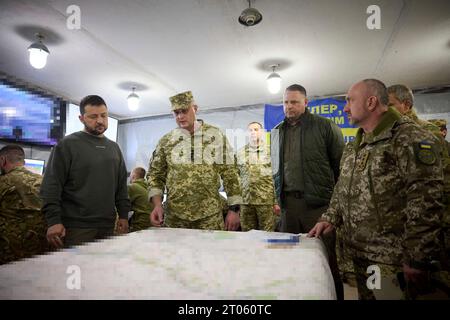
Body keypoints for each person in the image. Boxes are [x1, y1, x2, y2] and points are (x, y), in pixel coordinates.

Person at [309, 79, 444, 300]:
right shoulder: (356, 144)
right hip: (360, 253)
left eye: (350, 100)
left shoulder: (408, 137)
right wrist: (330, 217)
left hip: (390, 258)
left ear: (371, 102)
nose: (345, 108)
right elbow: (343, 186)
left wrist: (418, 257)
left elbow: (426, 200)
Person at [270, 84, 345, 299]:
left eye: (294, 101)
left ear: (306, 103)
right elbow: (276, 170)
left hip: (317, 208)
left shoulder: (325, 127)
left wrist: (334, 209)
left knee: (326, 263)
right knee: (289, 260)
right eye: (285, 102)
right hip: (288, 209)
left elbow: (342, 170)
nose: (289, 106)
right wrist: (277, 200)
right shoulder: (276, 132)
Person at [40, 95, 130, 248]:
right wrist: (53, 221)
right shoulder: (67, 145)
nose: (100, 121)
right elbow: (51, 186)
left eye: (103, 115)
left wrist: (123, 216)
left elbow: (121, 186)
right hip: (76, 227)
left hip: (108, 225)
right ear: (81, 118)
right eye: (93, 116)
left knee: (104, 269)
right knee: (76, 270)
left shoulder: (114, 148)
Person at [148, 91, 242, 230]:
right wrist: (157, 205)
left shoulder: (215, 136)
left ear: (195, 109)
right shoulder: (167, 141)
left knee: (211, 252)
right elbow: (155, 175)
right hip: (175, 217)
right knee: (174, 252)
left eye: (184, 111)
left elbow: (231, 173)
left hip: (209, 216)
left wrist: (234, 210)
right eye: (176, 112)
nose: (180, 116)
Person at [0, 145, 48, 264]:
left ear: (2, 160)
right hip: (42, 250)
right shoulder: (45, 181)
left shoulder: (4, 182)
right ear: (24, 162)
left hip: (10, 251)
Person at [236, 122, 280, 231]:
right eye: (250, 130)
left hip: (265, 201)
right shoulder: (240, 152)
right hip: (246, 201)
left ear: (262, 132)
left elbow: (277, 177)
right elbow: (235, 176)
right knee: (247, 234)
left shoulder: (271, 151)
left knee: (267, 234)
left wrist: (277, 202)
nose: (253, 132)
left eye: (256, 129)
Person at [127, 167, 153, 232]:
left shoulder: (132, 187)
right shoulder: (148, 188)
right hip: (152, 224)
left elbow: (122, 205)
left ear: (133, 176)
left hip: (140, 225)